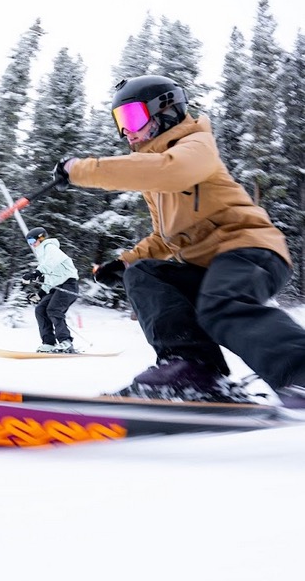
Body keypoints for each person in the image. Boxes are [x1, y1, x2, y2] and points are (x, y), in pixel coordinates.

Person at [52, 74, 305, 407]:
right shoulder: (153, 179)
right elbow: (165, 237)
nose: (127, 132)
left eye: (132, 118)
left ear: (165, 110)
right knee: (143, 273)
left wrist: (81, 169)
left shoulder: (196, 145)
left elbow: (171, 170)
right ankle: (193, 371)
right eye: (120, 123)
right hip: (206, 267)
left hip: (249, 250)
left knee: (223, 305)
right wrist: (125, 262)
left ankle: (299, 373)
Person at [21, 226, 80, 353]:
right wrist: (40, 294)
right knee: (40, 310)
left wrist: (36, 273)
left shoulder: (50, 247)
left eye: (32, 241)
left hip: (68, 285)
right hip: (56, 287)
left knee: (53, 309)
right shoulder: (42, 254)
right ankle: (49, 343)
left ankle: (66, 342)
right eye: (29, 243)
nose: (32, 245)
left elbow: (50, 263)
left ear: (41, 238)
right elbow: (49, 278)